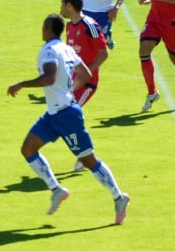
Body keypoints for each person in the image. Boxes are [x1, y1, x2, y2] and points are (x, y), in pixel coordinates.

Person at [7, 13, 130, 224]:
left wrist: (22, 84)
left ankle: (119, 197)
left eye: (43, 26)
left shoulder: (48, 51)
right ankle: (56, 189)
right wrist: (69, 91)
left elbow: (49, 78)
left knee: (88, 160)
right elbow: (86, 74)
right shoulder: (67, 48)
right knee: (28, 149)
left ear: (48, 29)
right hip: (54, 114)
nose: (41, 29)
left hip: (66, 116)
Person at [60, 0, 109, 172]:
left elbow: (104, 53)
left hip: (88, 83)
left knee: (70, 115)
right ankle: (84, 154)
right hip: (73, 82)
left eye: (62, 4)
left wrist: (87, 72)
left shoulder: (90, 26)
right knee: (68, 116)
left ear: (69, 6)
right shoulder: (69, 27)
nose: (60, 8)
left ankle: (85, 156)